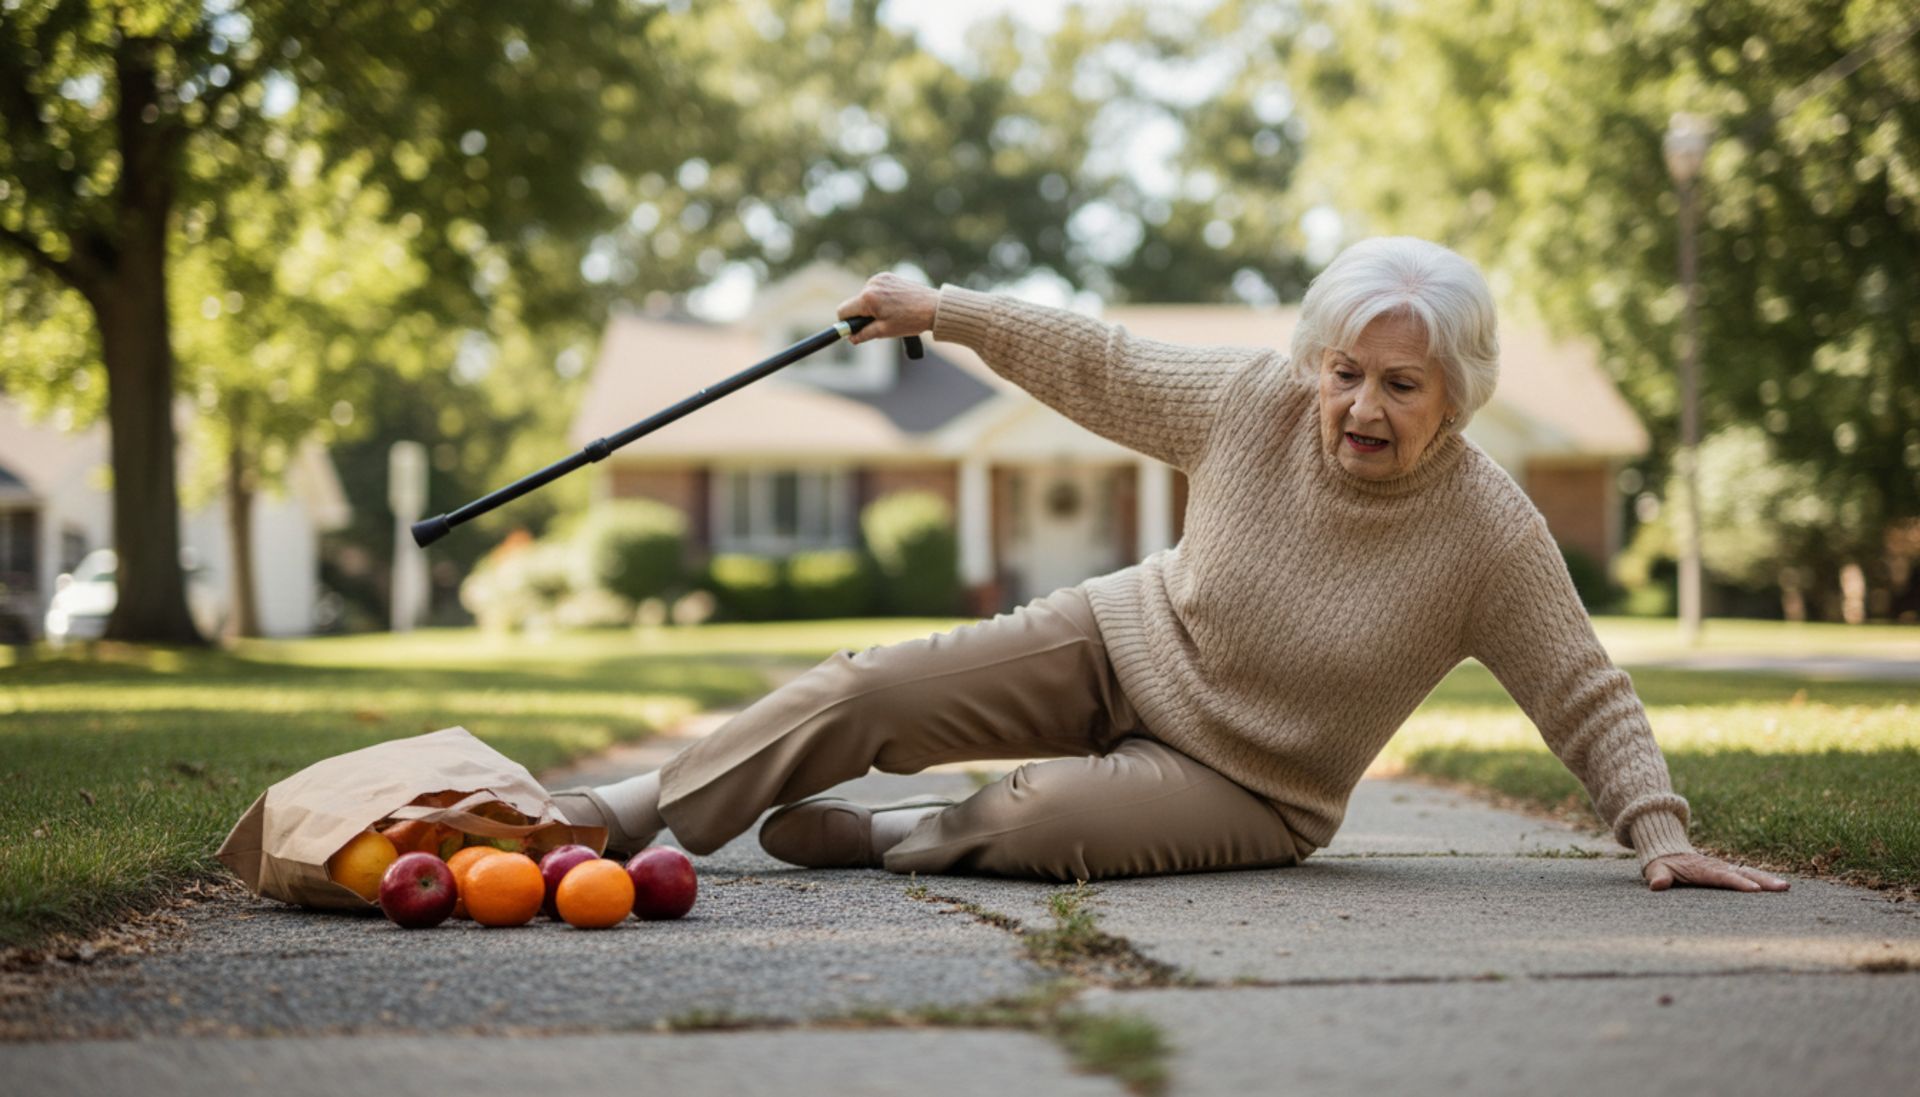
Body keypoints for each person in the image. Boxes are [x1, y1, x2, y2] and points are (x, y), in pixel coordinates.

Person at [555, 236, 1788, 894]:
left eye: (1401, 385)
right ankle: (635, 811)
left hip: (1254, 784)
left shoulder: (1489, 527)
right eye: (1344, 370)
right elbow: (1101, 361)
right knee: (869, 684)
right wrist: (946, 310)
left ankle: (899, 837)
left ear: (1457, 400)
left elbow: (1582, 684)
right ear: (1315, 361)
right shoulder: (1256, 398)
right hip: (1119, 638)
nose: (1360, 405)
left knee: (1044, 820)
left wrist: (1655, 828)